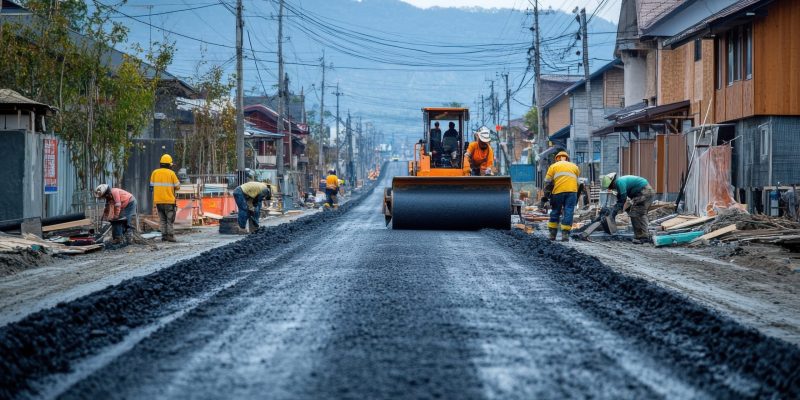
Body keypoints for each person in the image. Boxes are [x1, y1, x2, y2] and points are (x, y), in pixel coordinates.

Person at [602, 172, 655, 244]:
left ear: (611, 183)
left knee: (635, 213)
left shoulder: (619, 182)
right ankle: (643, 236)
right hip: (643, 192)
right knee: (640, 214)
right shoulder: (619, 183)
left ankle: (642, 237)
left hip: (644, 192)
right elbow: (620, 198)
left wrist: (614, 212)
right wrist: (616, 208)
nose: (610, 189)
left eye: (609, 187)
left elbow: (623, 199)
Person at [542, 151, 580, 241]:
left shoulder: (553, 166)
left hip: (558, 192)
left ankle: (552, 234)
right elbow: (577, 181)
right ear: (567, 158)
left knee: (555, 211)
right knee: (568, 211)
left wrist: (546, 196)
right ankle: (565, 235)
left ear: (557, 159)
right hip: (572, 192)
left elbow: (547, 182)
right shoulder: (575, 167)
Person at [150, 154, 181, 242]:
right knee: (169, 219)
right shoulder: (171, 173)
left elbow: (151, 187)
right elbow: (178, 186)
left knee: (162, 219)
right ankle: (170, 236)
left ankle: (164, 236)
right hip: (169, 201)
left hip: (158, 201)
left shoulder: (154, 172)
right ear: (169, 164)